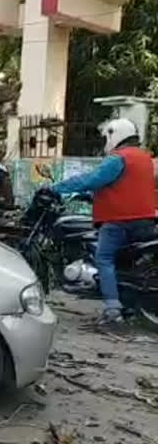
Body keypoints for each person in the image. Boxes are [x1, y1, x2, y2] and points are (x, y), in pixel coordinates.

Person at [50, 118, 157, 325]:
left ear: (114, 134)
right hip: (145, 221)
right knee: (123, 262)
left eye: (106, 136)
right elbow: (126, 188)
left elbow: (91, 180)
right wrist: (93, 197)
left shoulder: (118, 159)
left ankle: (112, 308)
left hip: (119, 222)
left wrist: (57, 188)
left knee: (104, 258)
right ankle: (128, 305)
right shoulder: (145, 158)